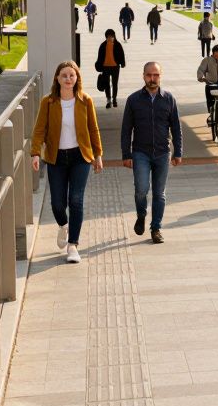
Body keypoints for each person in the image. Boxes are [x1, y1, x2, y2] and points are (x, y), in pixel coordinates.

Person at [30, 61, 104, 264]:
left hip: (80, 157)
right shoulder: (48, 102)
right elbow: (39, 129)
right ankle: (63, 225)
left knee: (76, 200)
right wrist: (35, 153)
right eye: (64, 75)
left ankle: (73, 245)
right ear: (57, 78)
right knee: (57, 203)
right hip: (56, 158)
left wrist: (98, 154)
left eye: (72, 75)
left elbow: (93, 129)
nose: (68, 79)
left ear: (77, 78)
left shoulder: (85, 100)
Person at [120, 61, 182, 244]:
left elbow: (176, 128)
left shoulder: (169, 99)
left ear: (160, 77)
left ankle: (156, 228)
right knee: (141, 190)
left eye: (156, 75)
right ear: (143, 76)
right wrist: (126, 154)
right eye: (149, 75)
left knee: (159, 193)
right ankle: (141, 214)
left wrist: (178, 152)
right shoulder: (133, 100)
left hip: (163, 152)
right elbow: (126, 129)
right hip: (140, 152)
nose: (152, 79)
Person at [92, 29, 126, 108]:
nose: (110, 38)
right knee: (107, 84)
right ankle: (108, 100)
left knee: (114, 84)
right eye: (108, 36)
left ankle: (114, 100)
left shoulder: (118, 45)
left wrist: (122, 63)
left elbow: (122, 55)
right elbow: (100, 57)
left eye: (111, 36)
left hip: (115, 67)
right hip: (105, 67)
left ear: (114, 36)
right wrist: (98, 66)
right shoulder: (103, 45)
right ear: (106, 37)